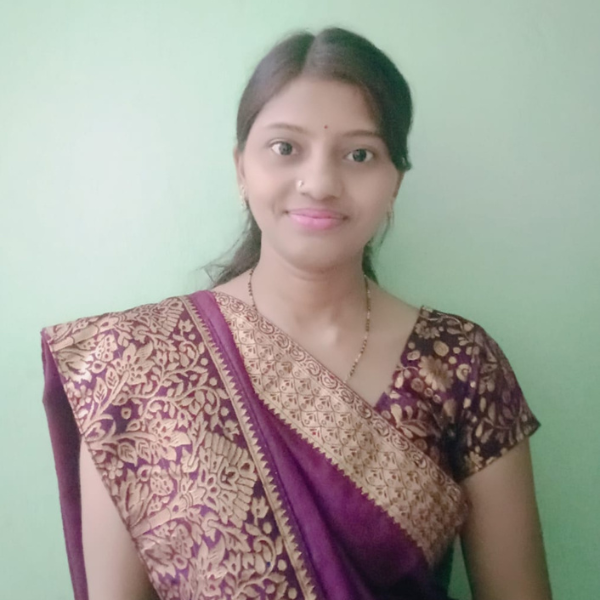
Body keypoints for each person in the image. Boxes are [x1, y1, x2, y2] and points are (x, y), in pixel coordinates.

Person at [41, 27, 552, 600]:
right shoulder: (133, 362)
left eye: (359, 154)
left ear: (395, 182)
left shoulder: (461, 364)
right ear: (241, 169)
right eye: (285, 148)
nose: (321, 183)